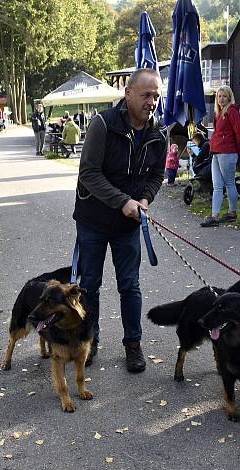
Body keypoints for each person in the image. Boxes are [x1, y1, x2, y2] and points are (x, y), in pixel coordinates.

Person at [73, 68, 167, 373]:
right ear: (128, 94)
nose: (151, 101)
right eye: (146, 95)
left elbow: (156, 176)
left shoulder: (159, 134)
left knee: (130, 285)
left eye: (155, 95)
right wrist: (122, 201)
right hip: (93, 221)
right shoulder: (102, 124)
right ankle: (91, 340)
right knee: (89, 285)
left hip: (129, 224)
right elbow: (88, 174)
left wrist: (144, 200)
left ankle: (133, 345)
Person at [201, 85, 240, 227]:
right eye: (219, 96)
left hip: (228, 152)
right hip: (216, 152)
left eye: (224, 96)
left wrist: (239, 152)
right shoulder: (219, 113)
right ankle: (214, 216)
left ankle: (232, 212)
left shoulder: (232, 112)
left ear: (229, 97)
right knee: (217, 185)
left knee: (229, 183)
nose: (221, 99)